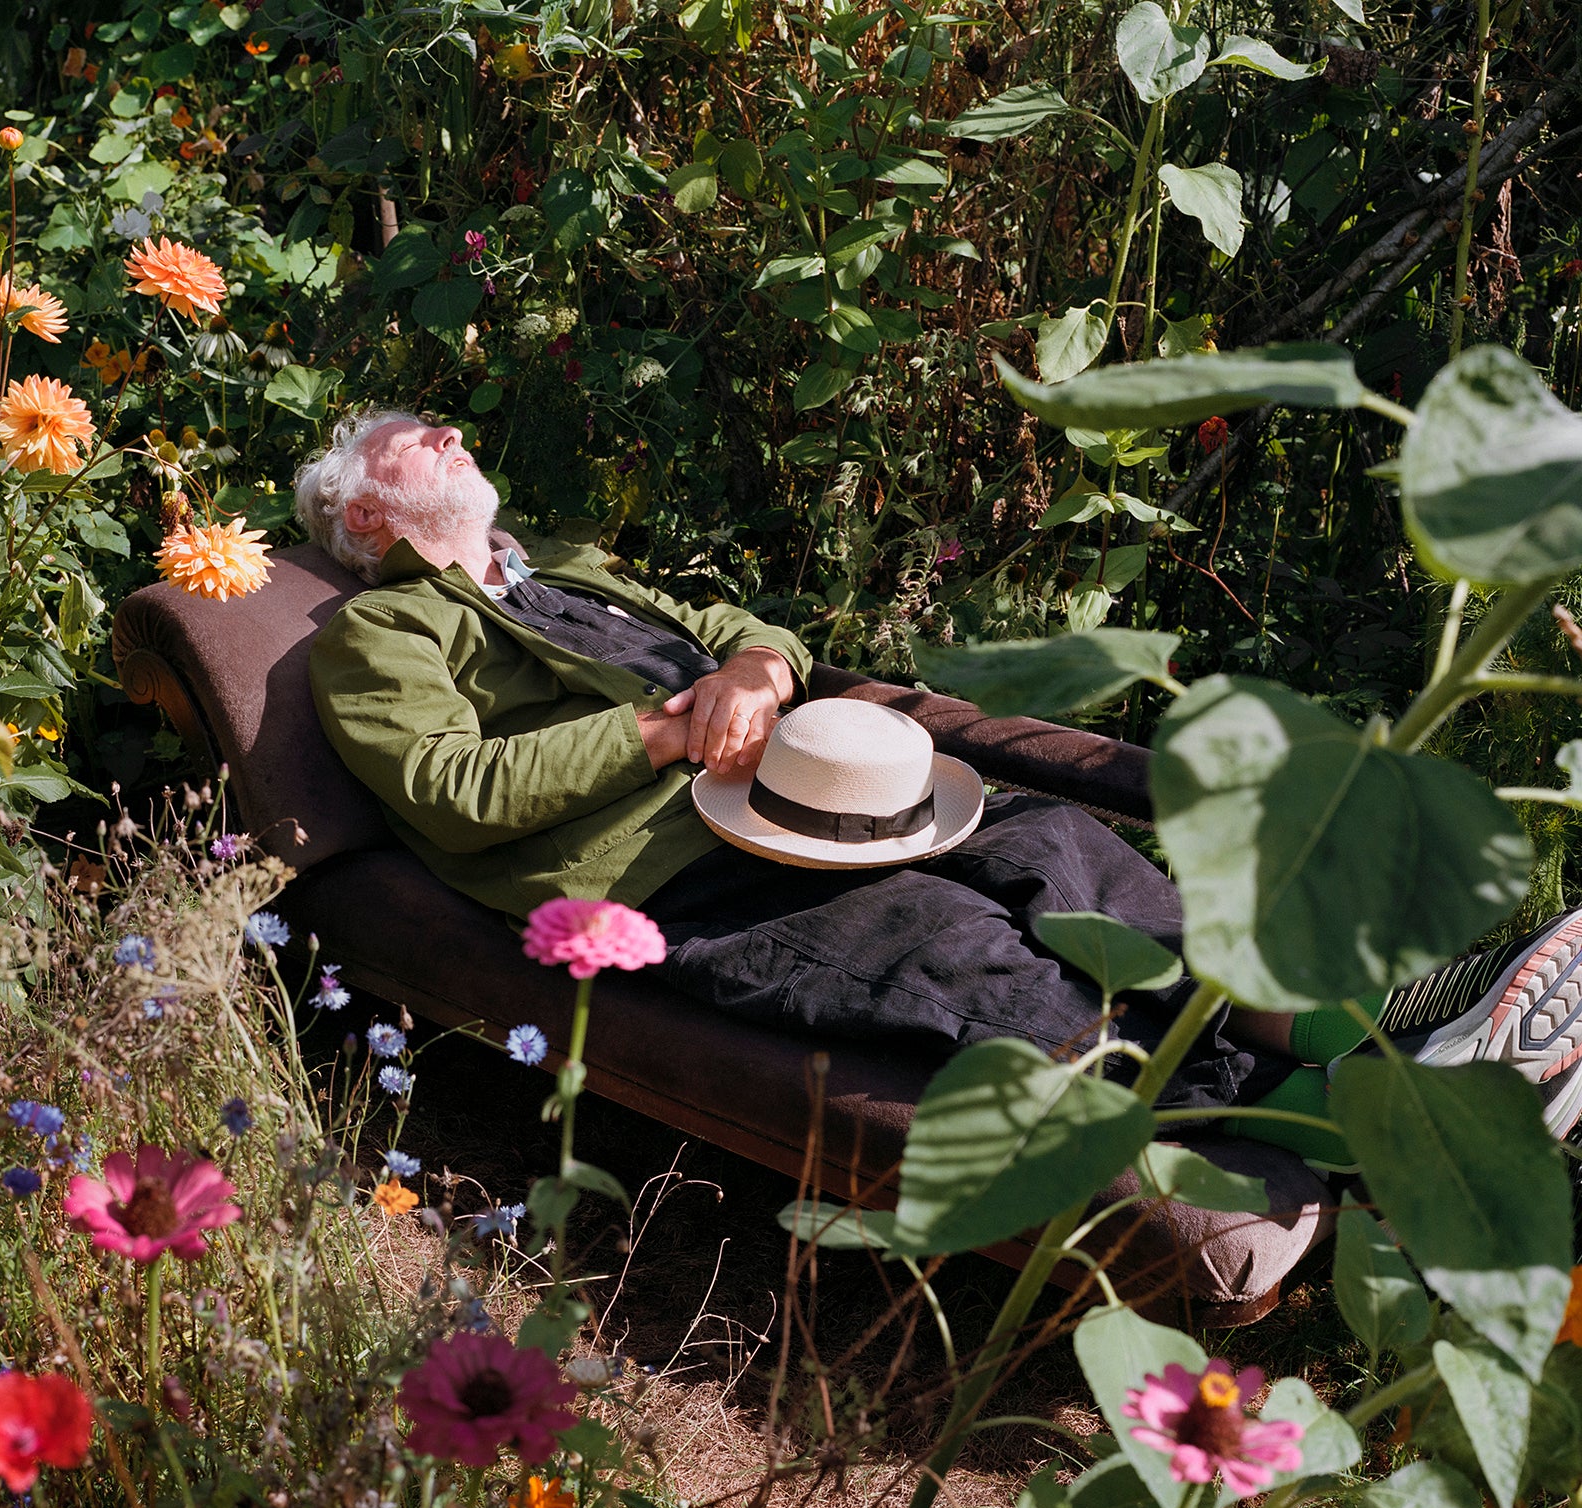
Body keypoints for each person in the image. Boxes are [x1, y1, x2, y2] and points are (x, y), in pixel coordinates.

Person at [298, 408, 1582, 1143]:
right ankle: (1346, 1114)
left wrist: (752, 664)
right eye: (416, 437)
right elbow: (453, 790)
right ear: (365, 516)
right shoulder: (380, 634)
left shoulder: (560, 564)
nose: (452, 428)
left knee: (1057, 850)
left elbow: (748, 625)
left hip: (818, 791)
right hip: (674, 869)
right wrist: (671, 730)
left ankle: (1379, 1018)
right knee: (964, 955)